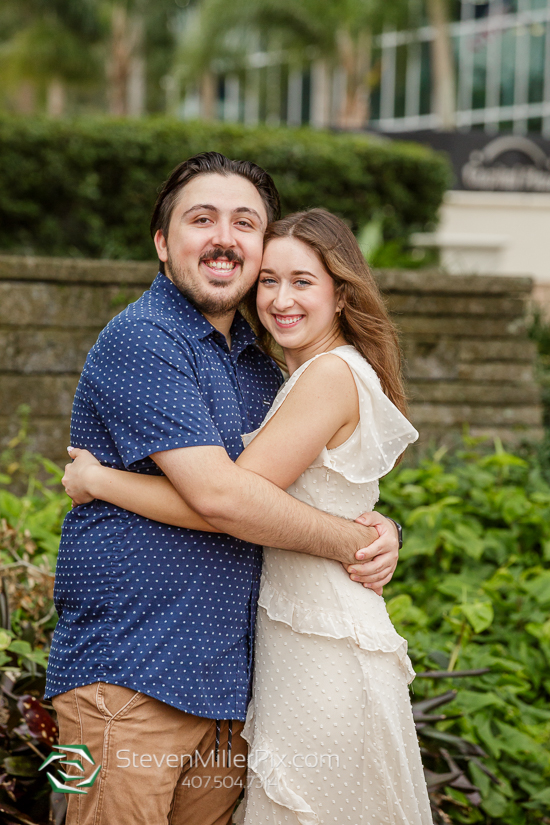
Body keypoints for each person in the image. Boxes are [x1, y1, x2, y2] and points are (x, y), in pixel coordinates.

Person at [48, 152, 402, 825]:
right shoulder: (144, 340)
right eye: (200, 218)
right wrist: (352, 541)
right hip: (130, 685)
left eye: (244, 222)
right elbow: (225, 499)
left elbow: (291, 494)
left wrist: (383, 528)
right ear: (163, 241)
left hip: (227, 699)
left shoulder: (261, 368)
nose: (223, 236)